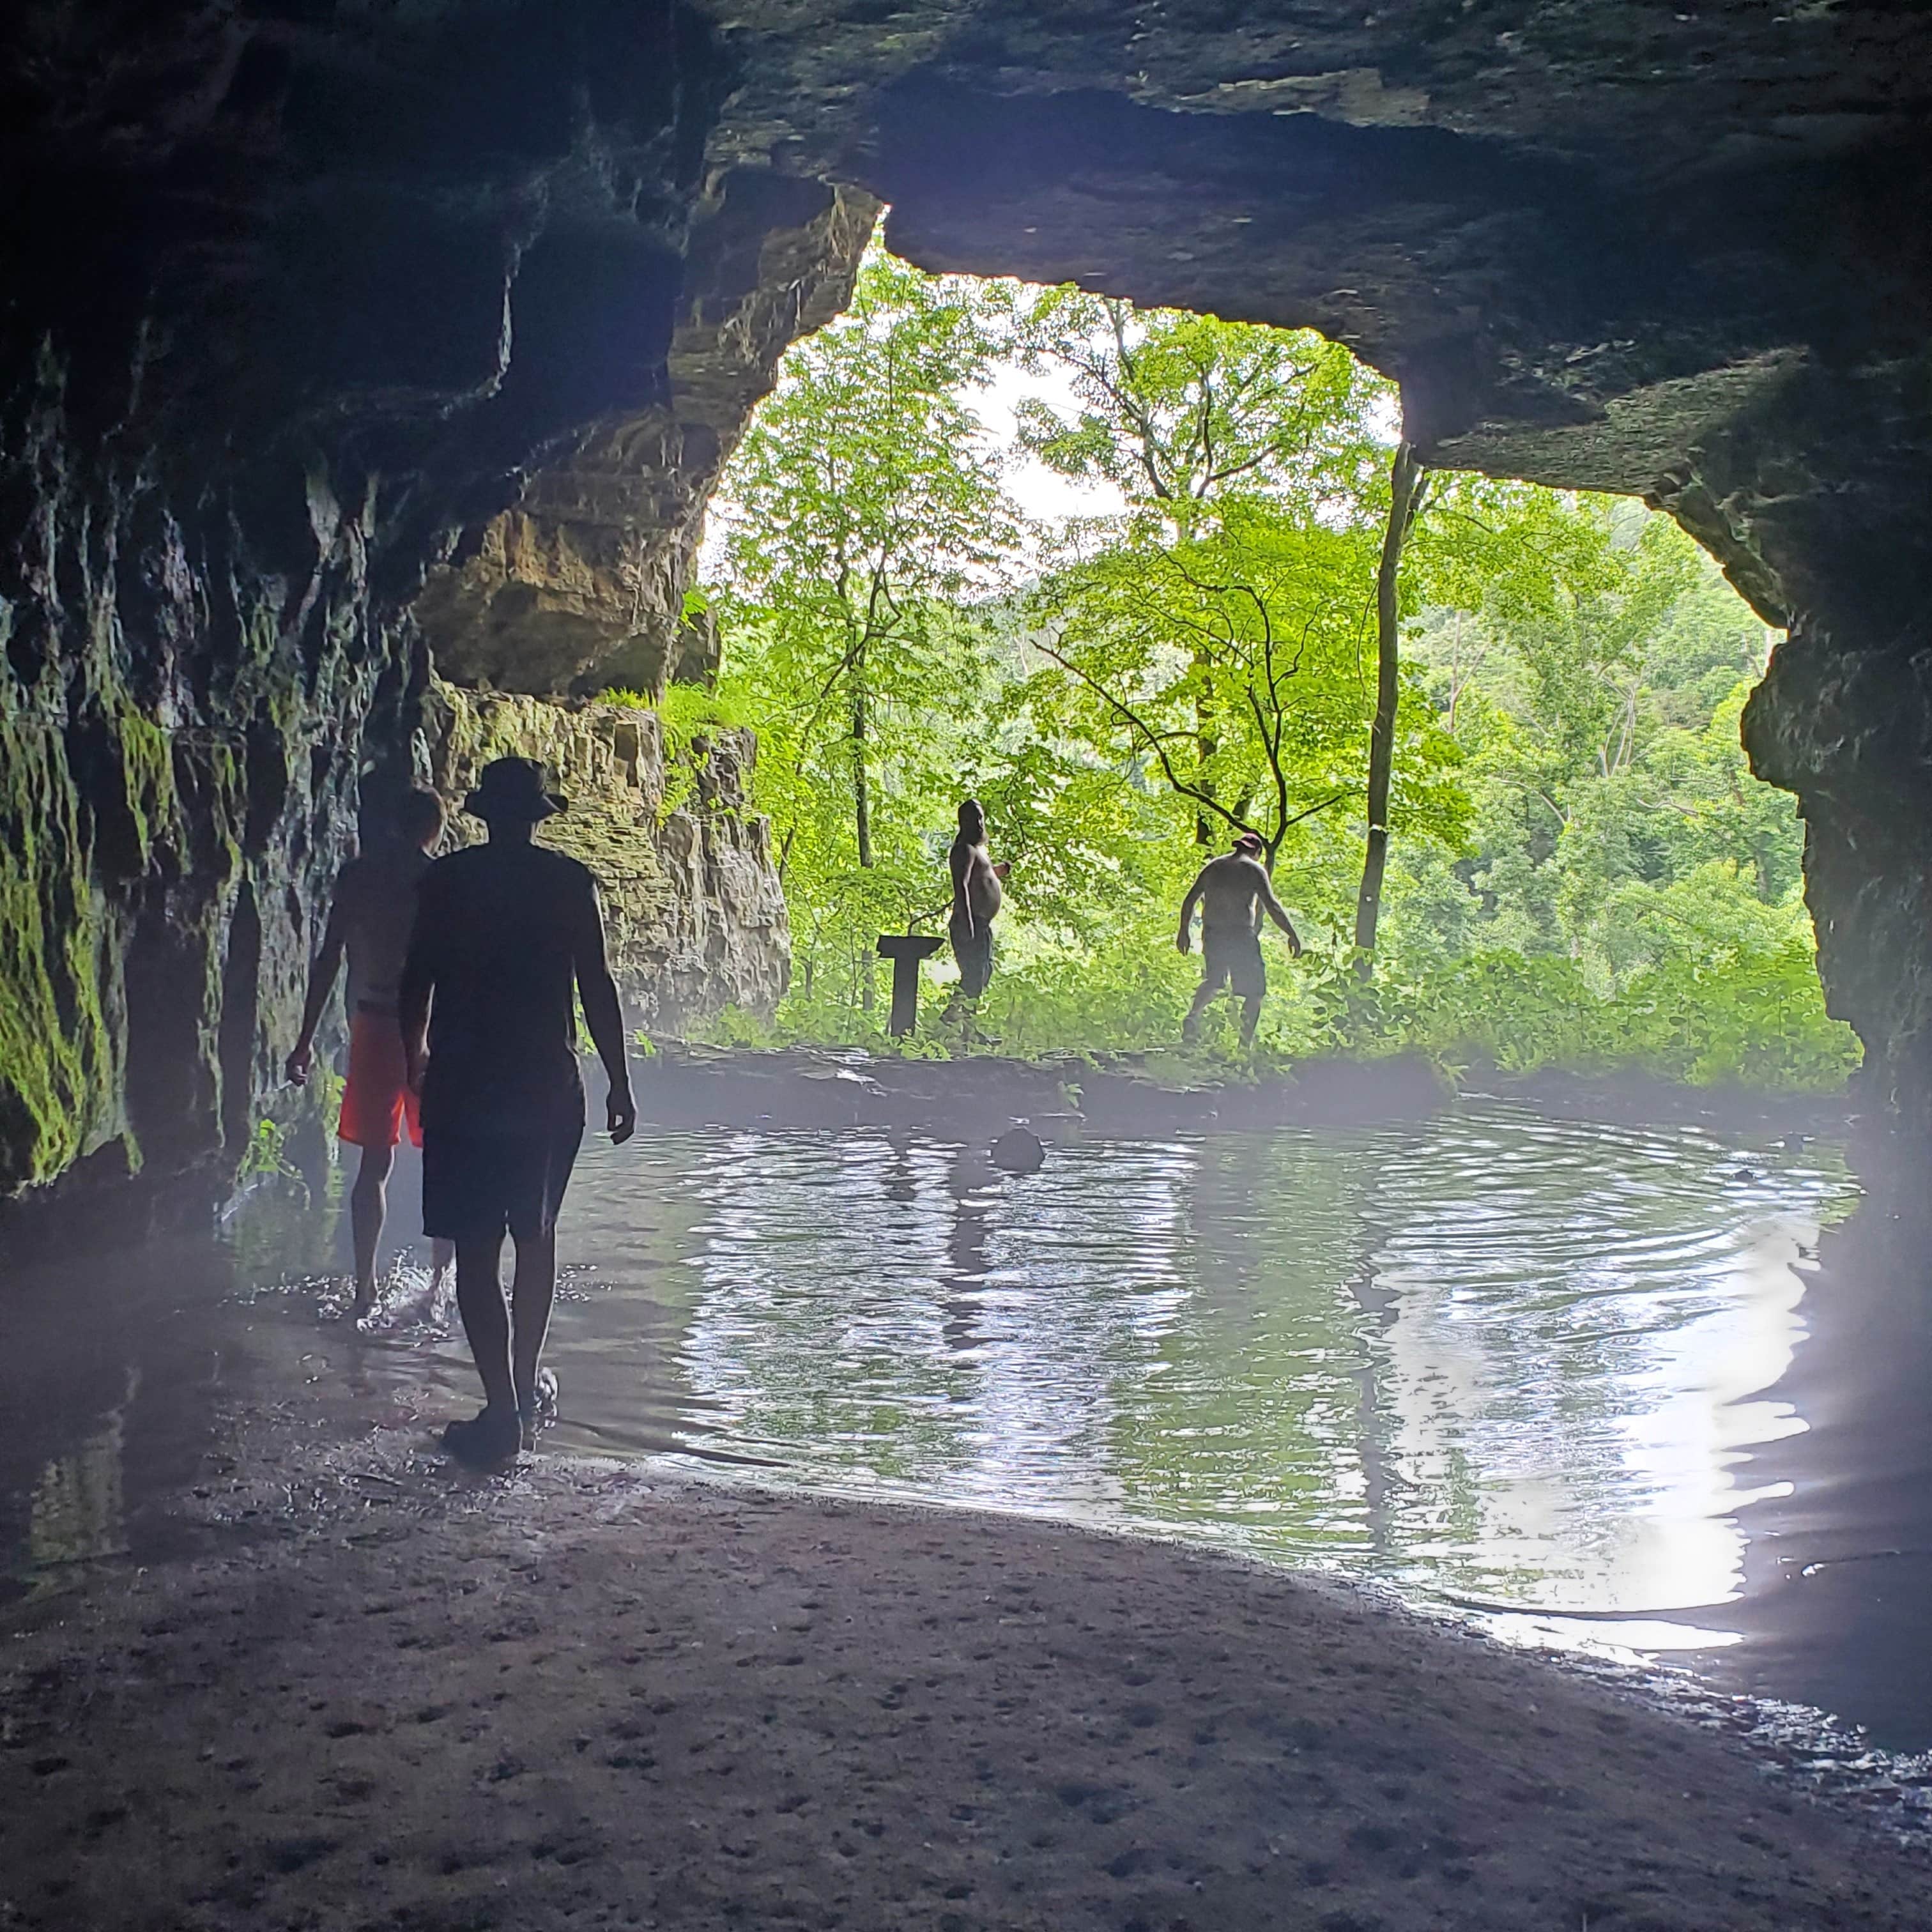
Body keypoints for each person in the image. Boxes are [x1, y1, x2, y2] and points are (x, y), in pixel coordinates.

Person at [399, 756, 636, 1466]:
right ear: (537, 819)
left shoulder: (446, 882)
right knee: (536, 1238)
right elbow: (596, 985)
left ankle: (501, 1409)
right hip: (542, 1083)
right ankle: (524, 1391)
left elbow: (417, 981)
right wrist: (620, 1081)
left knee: (475, 1250)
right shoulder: (566, 883)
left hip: (467, 1084)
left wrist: (414, 1063)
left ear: (484, 816)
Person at [287, 788, 454, 1317]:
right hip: (432, 1031)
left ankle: (365, 1287)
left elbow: (328, 960)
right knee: (444, 1159)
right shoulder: (441, 881)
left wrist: (304, 1039)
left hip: (374, 1022)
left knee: (374, 1164)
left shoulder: (357, 877)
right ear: (434, 830)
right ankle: (439, 1284)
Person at [1177, 830, 1302, 1047]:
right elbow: (1271, 906)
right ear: (1257, 852)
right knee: (1254, 992)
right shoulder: (1254, 869)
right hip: (1240, 935)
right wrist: (1291, 934)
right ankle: (1244, 1045)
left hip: (1213, 933)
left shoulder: (1214, 867)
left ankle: (1193, 1016)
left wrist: (1183, 932)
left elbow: (1190, 900)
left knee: (1215, 981)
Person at [947, 799, 1009, 1020]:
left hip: (981, 923)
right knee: (973, 976)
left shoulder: (978, 850)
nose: (980, 823)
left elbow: (980, 878)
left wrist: (997, 872)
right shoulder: (963, 850)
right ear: (964, 822)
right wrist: (967, 923)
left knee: (982, 973)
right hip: (970, 921)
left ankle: (966, 1025)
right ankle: (952, 1021)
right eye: (974, 819)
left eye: (981, 817)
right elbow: (961, 886)